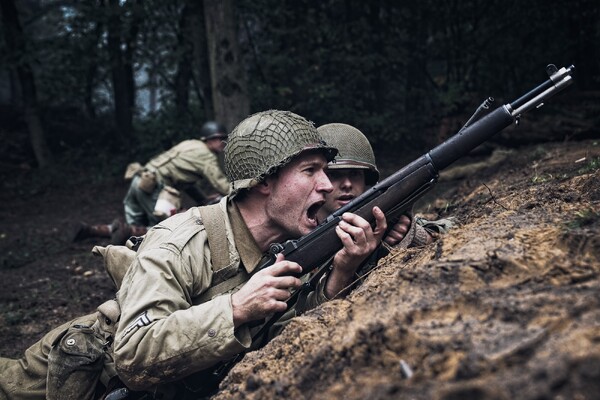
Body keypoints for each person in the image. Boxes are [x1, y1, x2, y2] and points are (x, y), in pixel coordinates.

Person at [0, 110, 389, 399]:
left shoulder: (283, 243)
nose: (327, 185)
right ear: (265, 181)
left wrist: (342, 272)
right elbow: (133, 356)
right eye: (311, 170)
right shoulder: (179, 241)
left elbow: (282, 335)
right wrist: (234, 308)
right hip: (61, 382)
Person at [314, 123, 452, 292]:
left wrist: (414, 235)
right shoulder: (297, 235)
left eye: (355, 174)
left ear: (366, 180)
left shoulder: (377, 219)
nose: (347, 184)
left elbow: (456, 229)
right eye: (334, 175)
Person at [72, 120, 231, 245]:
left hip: (139, 180)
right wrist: (240, 190)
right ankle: (124, 232)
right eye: (220, 138)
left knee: (137, 229)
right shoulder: (206, 156)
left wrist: (201, 199)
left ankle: (92, 230)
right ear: (209, 139)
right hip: (155, 187)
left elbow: (185, 181)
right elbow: (220, 183)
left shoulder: (190, 144)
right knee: (170, 226)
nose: (223, 142)